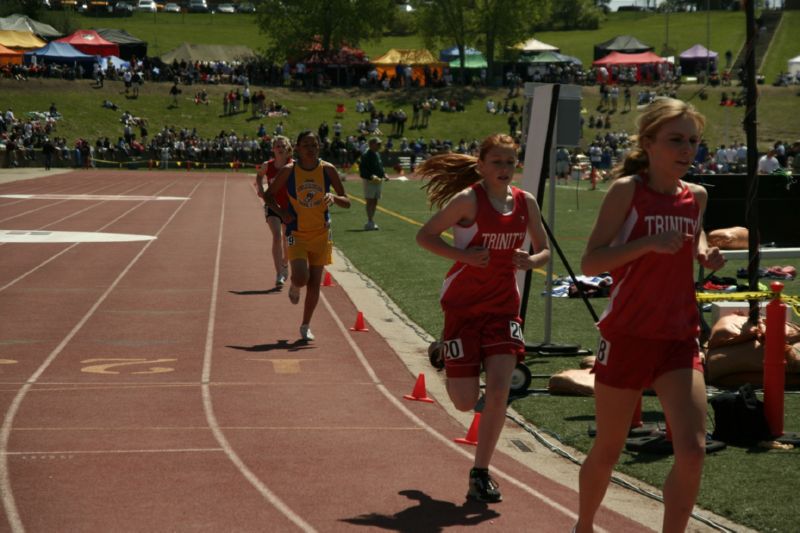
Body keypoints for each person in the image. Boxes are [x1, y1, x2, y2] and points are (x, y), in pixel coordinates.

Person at [575, 98, 725, 533]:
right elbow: (590, 263)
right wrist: (645, 245)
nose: (686, 150)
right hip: (627, 335)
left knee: (693, 451)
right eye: (676, 140)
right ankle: (583, 526)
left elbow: (692, 242)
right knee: (609, 447)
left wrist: (706, 256)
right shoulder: (627, 192)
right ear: (649, 143)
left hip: (678, 337)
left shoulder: (695, 196)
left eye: (693, 141)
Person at [415, 133, 550, 503]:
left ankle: (481, 472)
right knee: (463, 401)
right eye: (497, 162)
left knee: (500, 391)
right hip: (463, 307)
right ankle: (445, 351)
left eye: (510, 162)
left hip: (504, 306)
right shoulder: (467, 201)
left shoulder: (527, 203)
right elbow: (425, 236)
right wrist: (464, 257)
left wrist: (531, 261)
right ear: (482, 166)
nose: (505, 169)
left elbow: (545, 251)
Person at [264, 131, 350, 341]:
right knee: (302, 276)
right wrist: (281, 212)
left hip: (321, 233)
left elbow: (346, 201)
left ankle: (305, 325)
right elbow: (268, 195)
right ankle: (294, 284)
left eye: (314, 145)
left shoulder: (328, 170)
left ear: (319, 147)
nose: (310, 149)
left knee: (315, 283)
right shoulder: (288, 171)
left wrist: (334, 197)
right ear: (298, 148)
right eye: (306, 145)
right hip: (296, 232)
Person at [256, 135, 293, 287]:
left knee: (288, 240)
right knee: (277, 236)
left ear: (287, 148)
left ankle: (285, 263)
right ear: (273, 149)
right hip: (272, 205)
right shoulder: (267, 165)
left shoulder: (293, 165)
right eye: (277, 146)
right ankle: (279, 274)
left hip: (289, 207)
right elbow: (259, 177)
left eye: (283, 145)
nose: (280, 148)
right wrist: (260, 187)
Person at [359, 136, 386, 230]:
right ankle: (369, 221)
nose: (379, 145)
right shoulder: (366, 155)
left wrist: (384, 174)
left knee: (375, 201)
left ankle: (371, 221)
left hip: (378, 181)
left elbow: (380, 166)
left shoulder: (377, 154)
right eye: (377, 144)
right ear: (371, 144)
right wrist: (371, 176)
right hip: (370, 181)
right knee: (370, 201)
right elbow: (363, 170)